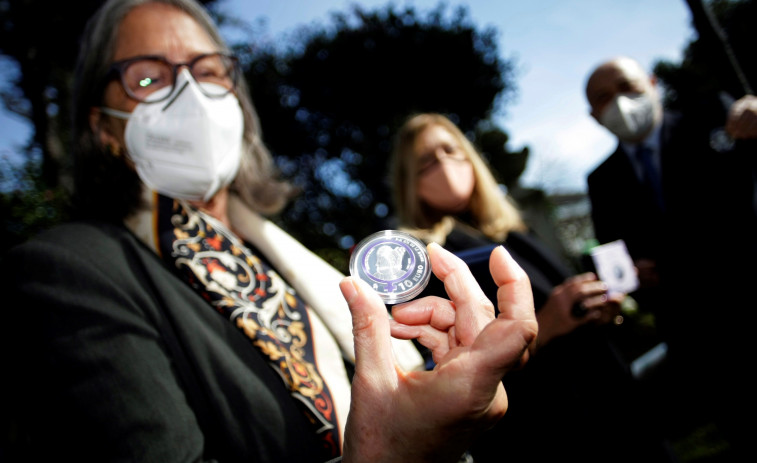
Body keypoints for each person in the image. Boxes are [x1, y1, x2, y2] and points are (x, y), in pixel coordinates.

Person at [0, 1, 541, 461]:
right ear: (103, 129)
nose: (188, 93)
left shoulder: (287, 261)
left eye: (208, 70)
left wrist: (437, 403)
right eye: (148, 77)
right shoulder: (70, 269)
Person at [388, 112, 677, 462]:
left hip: (611, 393)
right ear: (409, 182)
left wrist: (596, 308)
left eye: (450, 150)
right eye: (426, 161)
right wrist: (546, 325)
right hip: (551, 427)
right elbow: (447, 368)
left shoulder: (512, 230)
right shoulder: (423, 259)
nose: (444, 164)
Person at [584, 56, 757, 456]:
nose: (620, 103)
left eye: (628, 87)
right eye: (604, 98)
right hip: (697, 339)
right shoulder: (601, 181)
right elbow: (613, 258)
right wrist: (632, 279)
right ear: (593, 115)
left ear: (652, 82)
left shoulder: (717, 116)